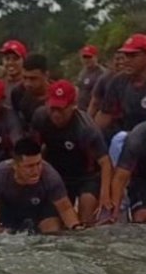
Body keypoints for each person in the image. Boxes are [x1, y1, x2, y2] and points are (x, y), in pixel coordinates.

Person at [31, 81, 113, 223]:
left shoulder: (86, 129)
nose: (56, 114)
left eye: (61, 109)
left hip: (86, 176)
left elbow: (105, 162)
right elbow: (33, 152)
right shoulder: (40, 117)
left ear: (73, 106)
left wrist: (105, 195)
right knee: (55, 221)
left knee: (86, 213)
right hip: (57, 174)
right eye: (53, 108)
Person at [0, 139, 83, 235]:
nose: (36, 171)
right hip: (10, 211)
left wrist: (76, 228)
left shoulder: (50, 175)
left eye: (38, 163)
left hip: (41, 210)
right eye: (30, 166)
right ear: (15, 165)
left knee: (52, 231)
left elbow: (65, 208)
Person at [11, 54, 52, 128]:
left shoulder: (58, 96)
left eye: (33, 78)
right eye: (25, 77)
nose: (27, 83)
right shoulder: (18, 92)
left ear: (46, 75)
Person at [76, 45, 108, 110]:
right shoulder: (82, 72)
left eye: (89, 57)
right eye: (84, 57)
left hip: (94, 111)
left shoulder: (102, 73)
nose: (87, 60)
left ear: (96, 57)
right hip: (82, 109)